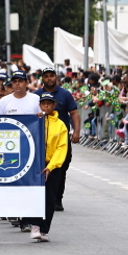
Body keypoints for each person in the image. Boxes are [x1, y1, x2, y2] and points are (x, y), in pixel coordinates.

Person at [24, 91, 68, 242]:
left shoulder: (60, 125)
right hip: (36, 164)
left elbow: (62, 148)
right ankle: (35, 225)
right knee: (35, 195)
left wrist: (51, 166)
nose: (46, 106)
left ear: (53, 105)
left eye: (49, 103)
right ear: (40, 105)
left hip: (53, 165)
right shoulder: (36, 120)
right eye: (44, 103)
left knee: (50, 198)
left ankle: (44, 229)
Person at [37, 67, 80, 211]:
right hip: (41, 139)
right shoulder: (36, 95)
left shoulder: (65, 94)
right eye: (46, 76)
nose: (49, 78)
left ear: (56, 77)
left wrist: (76, 132)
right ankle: (41, 197)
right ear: (42, 78)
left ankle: (57, 199)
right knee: (40, 168)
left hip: (61, 138)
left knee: (61, 168)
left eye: (51, 76)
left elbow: (74, 113)